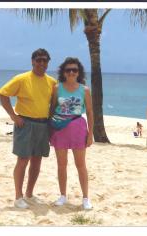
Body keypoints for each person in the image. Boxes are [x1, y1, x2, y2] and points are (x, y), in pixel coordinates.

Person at [0, 48, 57, 209]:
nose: (42, 63)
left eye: (45, 60)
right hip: (25, 123)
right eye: (39, 60)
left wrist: (52, 121)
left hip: (43, 125)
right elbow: (3, 94)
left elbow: (54, 103)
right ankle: (18, 196)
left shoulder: (52, 82)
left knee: (37, 161)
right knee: (23, 160)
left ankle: (30, 194)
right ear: (32, 61)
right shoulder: (22, 79)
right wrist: (13, 116)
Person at [49, 57, 94, 210]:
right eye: (68, 70)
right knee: (61, 165)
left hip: (78, 128)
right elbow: (52, 109)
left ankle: (86, 198)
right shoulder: (57, 88)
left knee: (81, 165)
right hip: (60, 129)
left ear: (78, 72)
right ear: (64, 72)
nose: (71, 72)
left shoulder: (84, 90)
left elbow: (89, 111)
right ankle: (62, 195)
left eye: (74, 70)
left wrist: (90, 133)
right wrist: (50, 129)